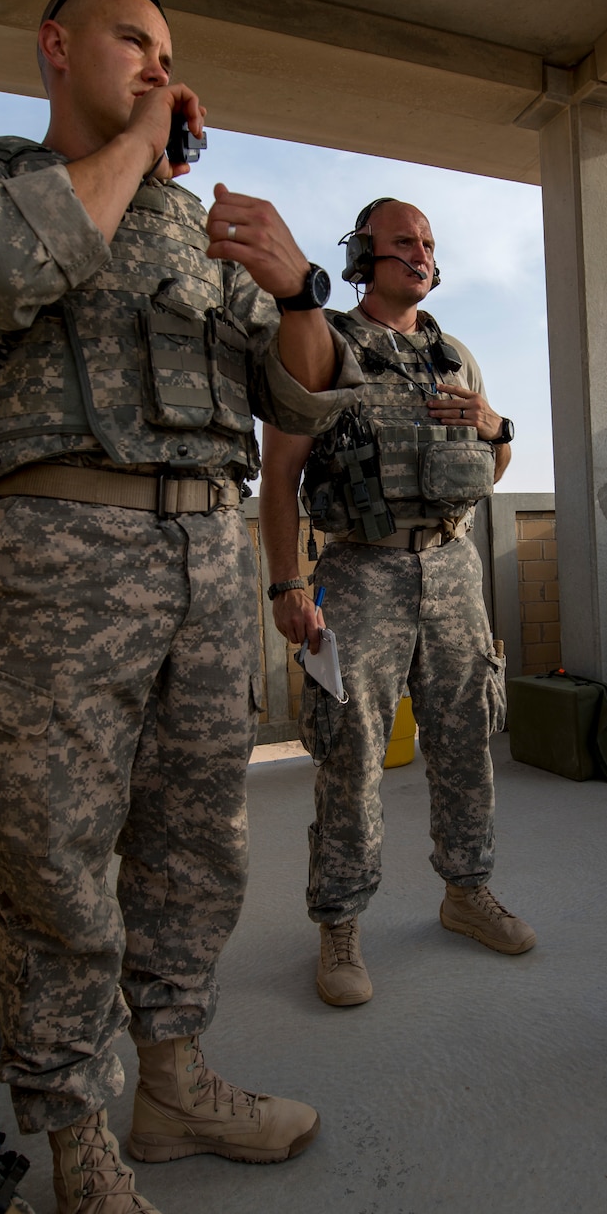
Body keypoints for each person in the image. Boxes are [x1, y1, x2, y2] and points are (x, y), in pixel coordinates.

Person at [0, 0, 356, 1214]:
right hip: (57, 565)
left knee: (197, 847)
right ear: (55, 48)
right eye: (131, 42)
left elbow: (301, 408)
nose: (157, 65)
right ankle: (80, 1159)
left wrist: (302, 287)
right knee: (56, 878)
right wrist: (142, 143)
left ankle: (174, 1088)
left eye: (168, 53)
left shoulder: (201, 239)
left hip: (206, 568)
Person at [258, 198, 534, 1007]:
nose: (418, 255)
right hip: (359, 573)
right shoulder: (325, 344)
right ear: (362, 256)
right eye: (401, 243)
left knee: (466, 738)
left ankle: (466, 890)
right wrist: (286, 584)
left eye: (427, 244)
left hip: (451, 566)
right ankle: (340, 926)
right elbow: (278, 477)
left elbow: (493, 465)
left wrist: (495, 424)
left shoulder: (454, 354)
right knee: (349, 751)